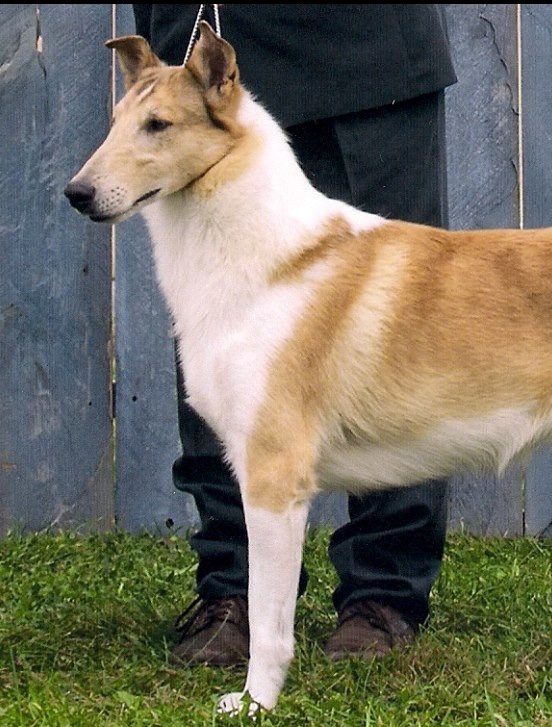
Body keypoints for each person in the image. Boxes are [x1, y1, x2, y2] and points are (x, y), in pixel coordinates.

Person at [132, 4, 457, 665]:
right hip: (203, 49)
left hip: (367, 54)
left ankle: (384, 590)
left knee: (399, 335)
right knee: (223, 336)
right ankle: (232, 589)